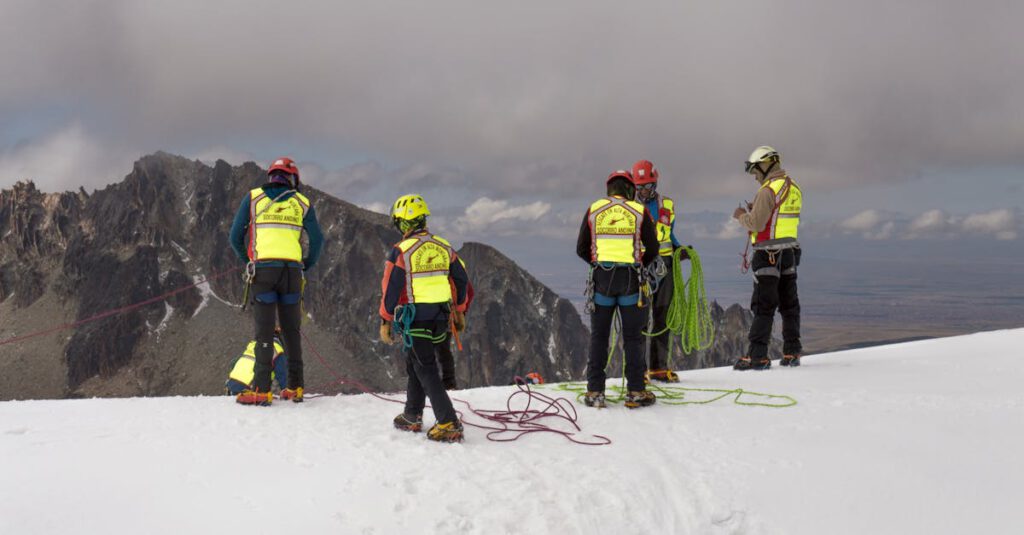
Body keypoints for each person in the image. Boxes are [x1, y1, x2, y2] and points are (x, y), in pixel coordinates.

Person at [229, 157, 324, 405]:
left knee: (264, 330)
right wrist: (306, 263)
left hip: (264, 272)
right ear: (292, 179)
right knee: (291, 330)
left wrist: (248, 258)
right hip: (292, 272)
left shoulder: (253, 198)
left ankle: (261, 389)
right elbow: (317, 239)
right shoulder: (302, 202)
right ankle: (295, 387)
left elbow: (235, 236)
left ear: (270, 176)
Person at [379, 194, 471, 442]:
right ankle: (412, 414)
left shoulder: (401, 251)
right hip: (441, 316)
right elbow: (461, 280)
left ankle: (448, 421)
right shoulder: (444, 246)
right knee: (415, 363)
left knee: (424, 366)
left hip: (416, 317)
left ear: (404, 223)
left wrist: (385, 321)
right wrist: (459, 310)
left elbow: (390, 289)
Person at [576, 170, 660, 409]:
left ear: (609, 189)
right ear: (630, 189)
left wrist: (599, 264)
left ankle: (595, 392)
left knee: (599, 337)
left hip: (602, 280)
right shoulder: (638, 211)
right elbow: (652, 248)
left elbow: (582, 248)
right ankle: (635, 392)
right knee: (633, 338)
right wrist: (638, 263)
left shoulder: (594, 210)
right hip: (631, 281)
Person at [732, 146, 803, 370]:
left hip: (767, 255)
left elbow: (756, 224)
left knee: (764, 305)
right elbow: (779, 219)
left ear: (765, 165)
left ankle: (757, 356)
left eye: (755, 171)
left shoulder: (768, 190)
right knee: (789, 305)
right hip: (789, 253)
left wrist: (742, 215)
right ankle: (792, 352)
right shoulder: (794, 189)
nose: (755, 177)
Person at [632, 159, 686, 383]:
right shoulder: (629, 208)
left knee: (663, 317)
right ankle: (639, 370)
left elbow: (669, 235)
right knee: (640, 320)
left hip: (665, 266)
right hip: (642, 268)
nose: (646, 191)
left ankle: (659, 367)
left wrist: (679, 248)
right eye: (641, 187)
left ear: (655, 183)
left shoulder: (667, 205)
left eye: (649, 186)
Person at [436, 258, 474, 390]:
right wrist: (460, 313)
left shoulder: (432, 270)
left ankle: (429, 384)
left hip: (429, 315)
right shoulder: (455, 270)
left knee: (424, 351)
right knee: (443, 351)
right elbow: (469, 291)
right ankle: (449, 383)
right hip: (448, 316)